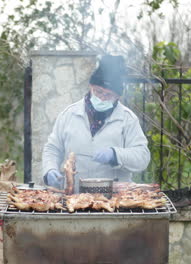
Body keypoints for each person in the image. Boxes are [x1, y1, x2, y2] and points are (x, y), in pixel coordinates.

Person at [41, 55, 150, 193]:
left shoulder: (127, 119)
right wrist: (50, 169)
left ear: (117, 96)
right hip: (74, 199)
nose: (102, 98)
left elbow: (142, 157)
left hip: (113, 201)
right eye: (98, 92)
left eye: (108, 95)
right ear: (91, 86)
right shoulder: (69, 114)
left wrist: (115, 155)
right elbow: (52, 148)